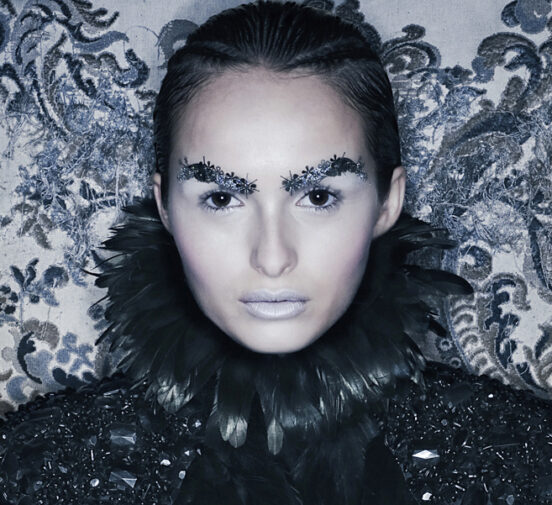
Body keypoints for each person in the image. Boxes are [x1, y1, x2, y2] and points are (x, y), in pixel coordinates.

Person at [0, 2, 550, 504]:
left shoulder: (523, 460)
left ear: (388, 201)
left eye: (318, 196)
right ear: (164, 205)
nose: (271, 257)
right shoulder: (34, 471)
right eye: (221, 197)